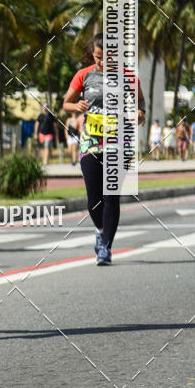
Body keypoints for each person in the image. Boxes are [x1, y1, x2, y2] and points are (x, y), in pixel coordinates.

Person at [63, 32, 145, 265]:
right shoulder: (84, 75)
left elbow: (140, 101)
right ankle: (101, 231)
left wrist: (141, 112)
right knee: (93, 200)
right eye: (97, 57)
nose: (101, 62)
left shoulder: (128, 77)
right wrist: (76, 105)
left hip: (118, 142)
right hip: (90, 142)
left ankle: (105, 247)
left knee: (111, 197)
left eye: (106, 58)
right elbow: (66, 103)